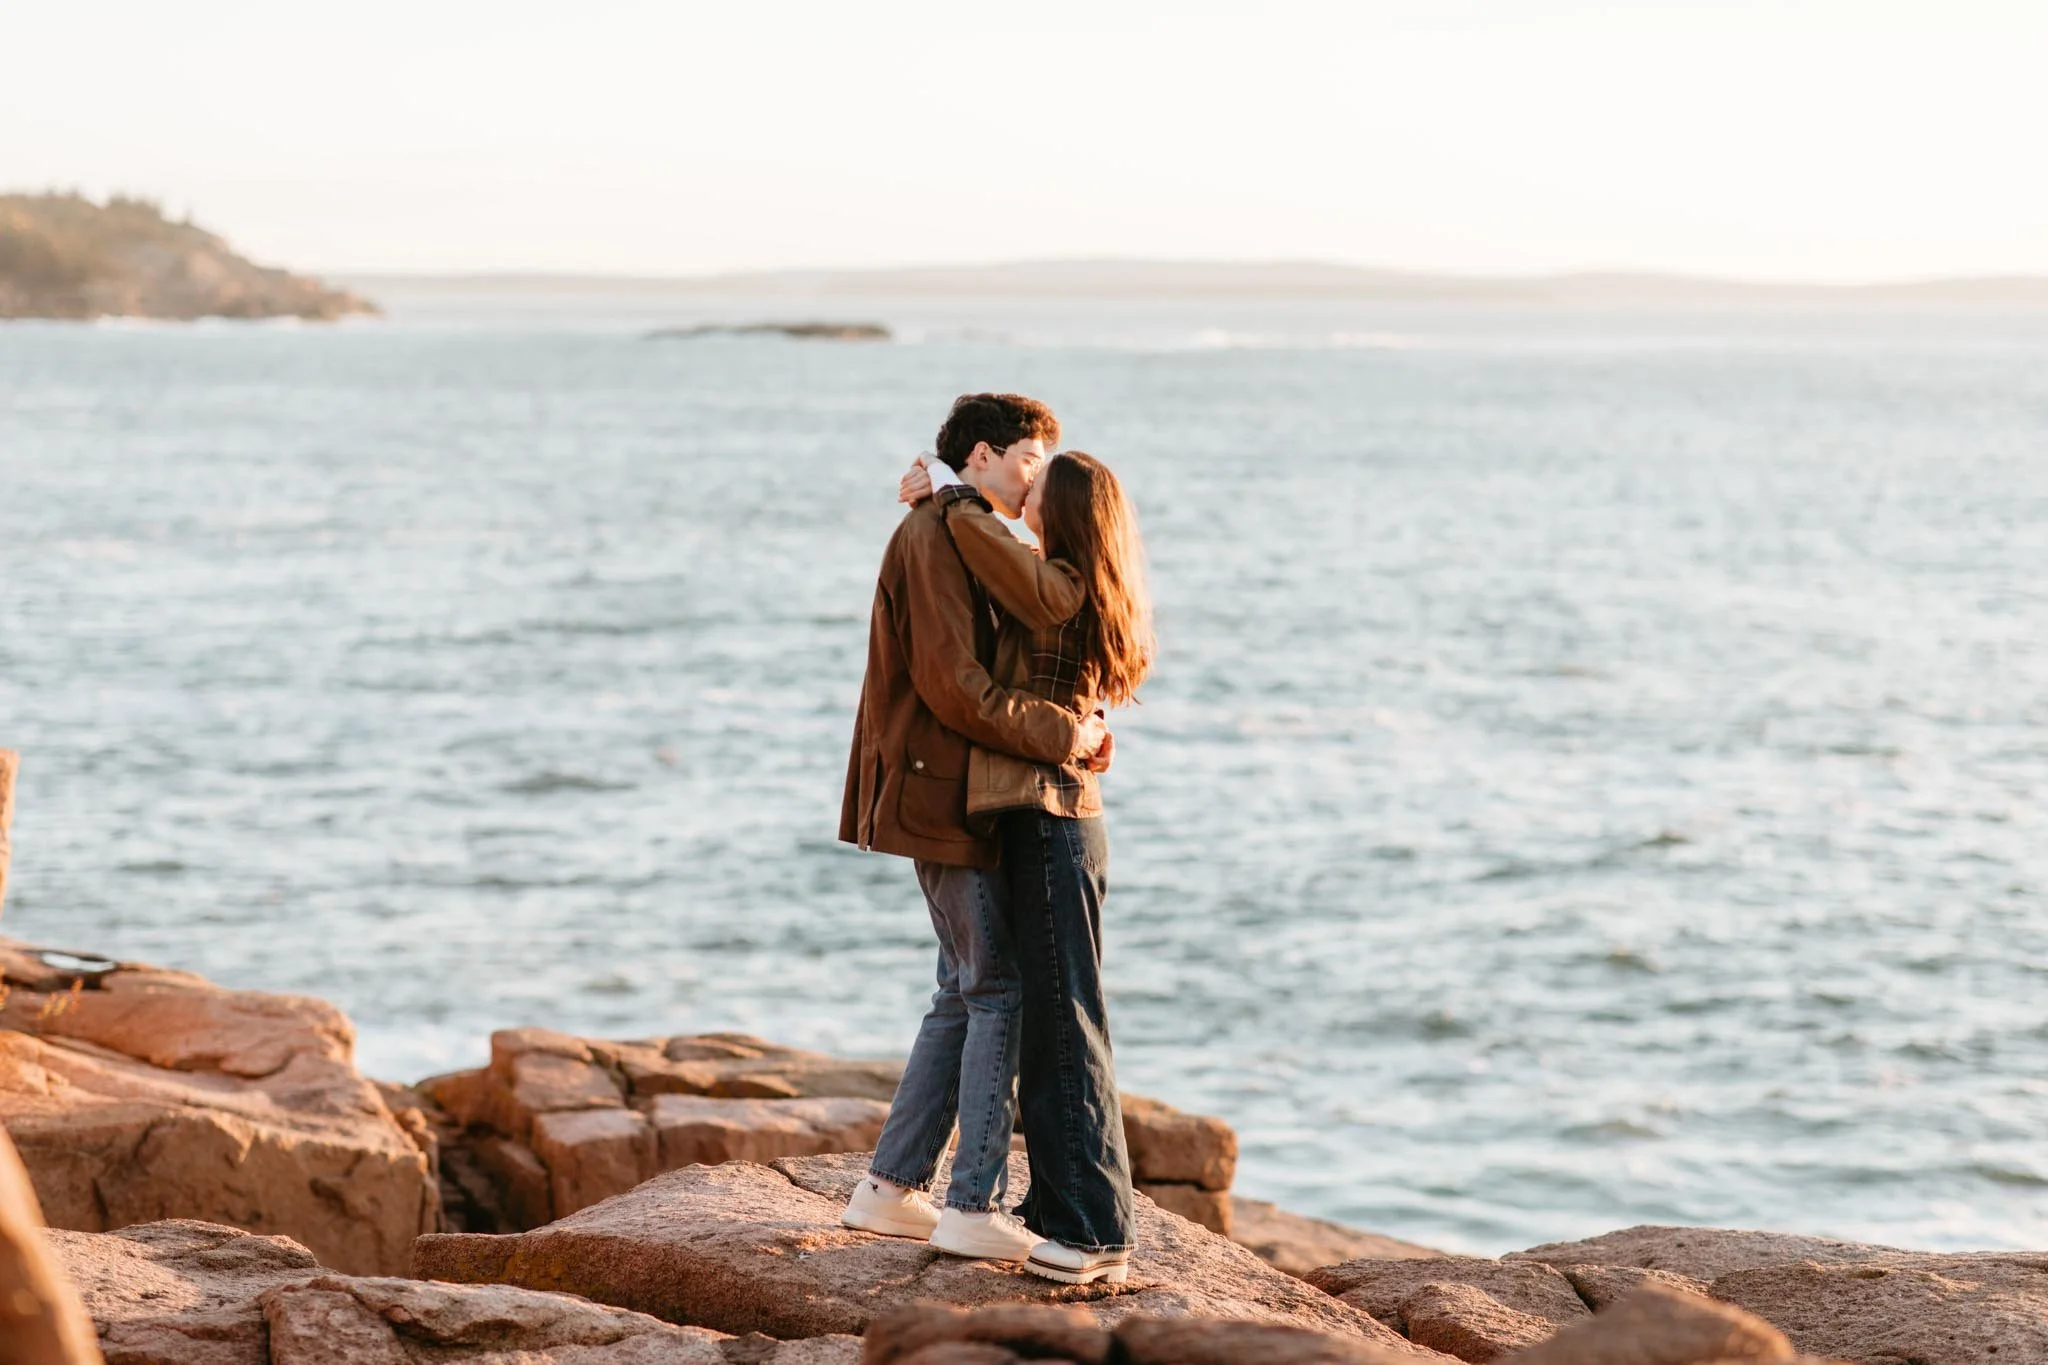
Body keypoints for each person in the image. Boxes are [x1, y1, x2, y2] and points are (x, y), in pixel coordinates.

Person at [837, 393, 1109, 1265]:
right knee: (999, 988)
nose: (1040, 479)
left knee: (963, 987)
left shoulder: (956, 524)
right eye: (1031, 460)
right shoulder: (939, 532)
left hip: (949, 788)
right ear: (985, 456)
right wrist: (1068, 735)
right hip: (938, 789)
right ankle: (971, 1204)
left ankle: (888, 1188)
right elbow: (956, 686)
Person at [896, 446, 1153, 1285]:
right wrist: (931, 507)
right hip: (1053, 821)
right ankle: (1069, 1215)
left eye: (1036, 488)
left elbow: (982, 585)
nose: (1022, 495)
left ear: (1065, 508)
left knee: (1065, 1027)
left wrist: (947, 497)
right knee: (1058, 1020)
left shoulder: (1059, 593)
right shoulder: (1068, 580)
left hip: (1051, 823)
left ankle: (1090, 1230)